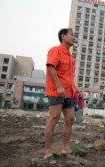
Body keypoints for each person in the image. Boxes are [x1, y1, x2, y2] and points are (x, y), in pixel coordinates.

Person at [44, 28, 78, 164]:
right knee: (54, 118)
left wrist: (75, 88)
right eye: (71, 35)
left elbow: (69, 76)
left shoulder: (70, 57)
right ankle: (47, 152)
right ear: (63, 36)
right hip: (56, 91)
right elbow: (51, 67)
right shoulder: (56, 50)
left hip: (68, 93)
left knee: (70, 119)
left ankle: (65, 148)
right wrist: (58, 86)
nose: (73, 37)